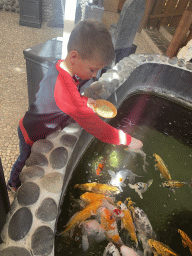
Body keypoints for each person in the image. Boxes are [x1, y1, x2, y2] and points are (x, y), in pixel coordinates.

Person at [7, 20, 143, 193]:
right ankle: (12, 184)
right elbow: (96, 128)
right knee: (23, 160)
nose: (94, 77)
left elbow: (67, 98)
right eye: (92, 70)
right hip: (29, 134)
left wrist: (85, 101)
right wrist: (127, 140)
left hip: (36, 121)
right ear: (74, 57)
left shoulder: (61, 67)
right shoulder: (65, 91)